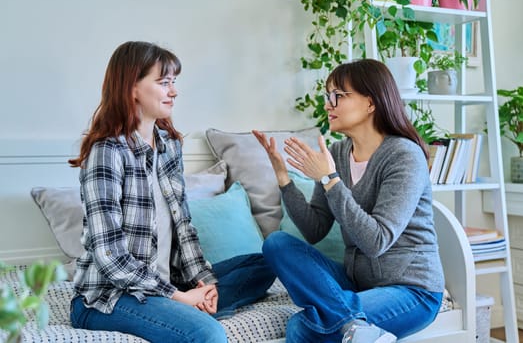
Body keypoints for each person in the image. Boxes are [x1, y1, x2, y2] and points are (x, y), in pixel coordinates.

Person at [68, 41, 276, 343]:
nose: (174, 91)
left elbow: (184, 228)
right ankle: (185, 313)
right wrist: (179, 297)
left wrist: (204, 283)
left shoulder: (169, 146)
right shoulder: (107, 152)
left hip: (166, 281)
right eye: (163, 83)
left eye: (173, 82)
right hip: (110, 296)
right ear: (132, 88)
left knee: (266, 263)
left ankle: (190, 306)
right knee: (208, 334)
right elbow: (110, 256)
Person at [253, 58, 444, 343]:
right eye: (327, 96)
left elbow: (376, 242)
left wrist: (330, 179)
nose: (328, 104)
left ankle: (352, 325)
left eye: (338, 96)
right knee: (277, 244)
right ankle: (358, 327)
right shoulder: (339, 153)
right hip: (358, 285)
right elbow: (315, 230)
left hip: (412, 290)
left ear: (370, 103)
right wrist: (284, 179)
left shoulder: (404, 155)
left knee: (303, 327)